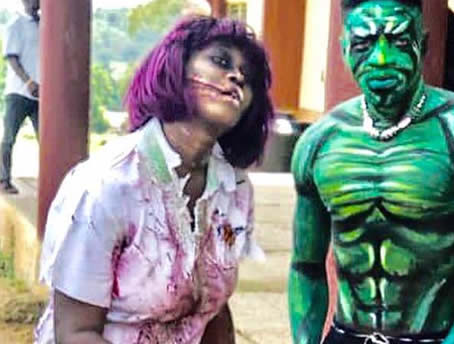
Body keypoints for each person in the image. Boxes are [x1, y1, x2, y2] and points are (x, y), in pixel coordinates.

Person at [288, 0, 454, 344]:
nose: (382, 59)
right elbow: (306, 267)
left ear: (423, 43)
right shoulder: (320, 141)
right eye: (364, 44)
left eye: (399, 41)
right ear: (344, 48)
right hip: (344, 334)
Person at [34, 17, 274, 343]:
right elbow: (75, 334)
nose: (237, 77)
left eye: (248, 77)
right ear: (176, 67)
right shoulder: (107, 185)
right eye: (220, 61)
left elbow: (212, 311)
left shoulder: (235, 190)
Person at [0, 0, 41, 194]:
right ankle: (4, 180)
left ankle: (51, 179)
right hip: (19, 92)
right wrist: (28, 81)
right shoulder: (15, 24)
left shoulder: (44, 25)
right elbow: (11, 58)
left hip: (42, 94)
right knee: (9, 138)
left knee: (46, 140)